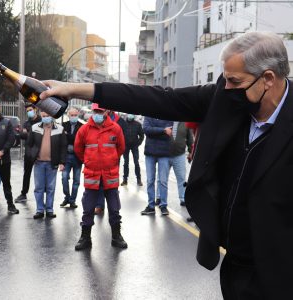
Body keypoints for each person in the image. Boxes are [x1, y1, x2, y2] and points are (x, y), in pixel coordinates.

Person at [40, 31, 293, 298]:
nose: (225, 89)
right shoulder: (227, 99)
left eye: (234, 81)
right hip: (234, 268)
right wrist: (73, 88)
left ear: (267, 79)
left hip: (281, 274)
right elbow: (157, 98)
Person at [74, 103, 127, 250]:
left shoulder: (115, 128)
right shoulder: (85, 129)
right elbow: (78, 149)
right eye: (95, 111)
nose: (97, 113)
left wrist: (111, 161)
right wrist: (89, 162)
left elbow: (121, 148)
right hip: (92, 174)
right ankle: (85, 238)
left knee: (114, 208)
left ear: (106, 112)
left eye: (100, 111)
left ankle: (116, 237)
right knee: (88, 208)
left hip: (110, 174)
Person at [27, 111, 66, 219]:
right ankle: (39, 210)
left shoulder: (59, 129)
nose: (45, 118)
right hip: (38, 162)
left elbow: (63, 147)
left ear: (52, 116)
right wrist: (31, 157)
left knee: (50, 187)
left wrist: (62, 162)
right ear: (41, 116)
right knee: (39, 187)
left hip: (52, 163)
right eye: (43, 116)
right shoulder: (35, 127)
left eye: (48, 116)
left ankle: (49, 209)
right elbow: (29, 145)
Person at [94, 109, 126, 215]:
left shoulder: (120, 121)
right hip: (98, 158)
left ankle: (114, 207)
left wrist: (115, 156)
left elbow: (121, 143)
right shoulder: (97, 120)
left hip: (113, 158)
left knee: (112, 183)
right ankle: (99, 205)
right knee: (99, 182)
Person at [141, 117, 173, 216]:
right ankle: (151, 206)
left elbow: (169, 134)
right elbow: (146, 130)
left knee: (163, 181)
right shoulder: (148, 115)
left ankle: (163, 205)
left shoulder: (168, 115)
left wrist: (154, 131)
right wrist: (163, 130)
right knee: (150, 180)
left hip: (164, 153)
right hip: (150, 153)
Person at [156, 122, 193, 206]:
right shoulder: (166, 119)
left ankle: (183, 198)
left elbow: (190, 138)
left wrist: (191, 152)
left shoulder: (185, 123)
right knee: (161, 178)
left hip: (179, 155)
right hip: (164, 155)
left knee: (181, 178)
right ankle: (159, 197)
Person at [0, 101, 19, 214]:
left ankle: (10, 205)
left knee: (6, 183)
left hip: (5, 159)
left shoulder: (7, 122)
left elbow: (11, 139)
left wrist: (2, 151)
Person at [14, 104, 41, 203]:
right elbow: (23, 136)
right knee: (27, 173)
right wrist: (25, 133)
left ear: (35, 110)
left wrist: (28, 133)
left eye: (30, 110)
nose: (29, 112)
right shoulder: (26, 123)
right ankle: (23, 193)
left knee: (41, 175)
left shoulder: (41, 121)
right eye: (28, 110)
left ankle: (42, 196)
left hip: (39, 151)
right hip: (29, 151)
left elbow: (40, 136)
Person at [60, 107, 83, 209]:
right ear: (68, 115)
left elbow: (79, 140)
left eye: (75, 115)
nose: (73, 117)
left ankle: (72, 200)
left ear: (78, 115)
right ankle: (67, 197)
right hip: (66, 157)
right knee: (64, 178)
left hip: (78, 157)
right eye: (71, 115)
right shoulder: (63, 125)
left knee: (76, 180)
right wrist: (72, 138)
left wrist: (68, 135)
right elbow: (62, 140)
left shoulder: (82, 127)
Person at [120, 114, 144, 186]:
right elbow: (120, 134)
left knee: (136, 162)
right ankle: (125, 180)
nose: (130, 116)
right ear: (126, 115)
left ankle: (139, 179)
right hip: (126, 146)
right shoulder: (123, 124)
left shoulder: (137, 124)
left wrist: (138, 143)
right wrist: (122, 143)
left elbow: (142, 135)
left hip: (134, 146)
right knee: (126, 162)